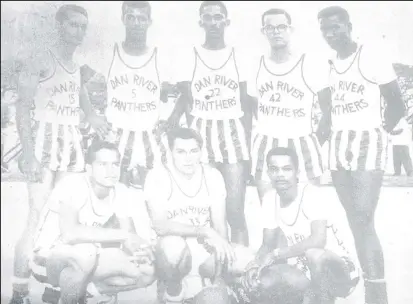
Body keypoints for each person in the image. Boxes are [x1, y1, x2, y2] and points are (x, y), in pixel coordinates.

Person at [11, 5, 110, 304]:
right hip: (43, 143)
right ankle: (18, 290)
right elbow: (22, 106)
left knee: (65, 218)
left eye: (83, 26)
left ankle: (56, 286)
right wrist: (28, 153)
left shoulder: (76, 62)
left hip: (69, 144)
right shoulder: (40, 58)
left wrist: (92, 115)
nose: (78, 31)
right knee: (37, 217)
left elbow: (79, 94)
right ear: (58, 27)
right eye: (72, 25)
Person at [317, 6, 406, 304]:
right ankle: (368, 279)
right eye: (325, 29)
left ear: (349, 26)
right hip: (339, 144)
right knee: (355, 220)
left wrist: (382, 129)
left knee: (364, 218)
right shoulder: (328, 62)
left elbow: (396, 103)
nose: (331, 34)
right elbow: (328, 108)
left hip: (368, 141)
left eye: (336, 27)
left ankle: (377, 294)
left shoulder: (372, 54)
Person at [168, 0, 251, 246]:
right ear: (200, 21)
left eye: (218, 17)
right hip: (201, 136)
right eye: (208, 17)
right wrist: (173, 118)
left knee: (235, 211)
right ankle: (207, 267)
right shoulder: (189, 55)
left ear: (226, 21)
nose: (214, 22)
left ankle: (238, 268)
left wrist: (247, 141)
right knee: (205, 212)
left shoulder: (238, 54)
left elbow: (245, 104)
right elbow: (186, 99)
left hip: (232, 134)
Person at [32, 140, 155, 304]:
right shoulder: (73, 184)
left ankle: (88, 292)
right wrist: (124, 236)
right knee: (85, 252)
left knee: (148, 270)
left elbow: (129, 237)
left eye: (115, 164)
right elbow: (69, 234)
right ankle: (66, 295)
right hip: (47, 259)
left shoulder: (122, 191)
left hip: (86, 261)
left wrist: (141, 251)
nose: (111, 171)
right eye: (103, 164)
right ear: (89, 169)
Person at [84, 1, 174, 188]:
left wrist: (168, 117)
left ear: (149, 21)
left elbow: (179, 90)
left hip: (149, 136)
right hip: (115, 136)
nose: (136, 23)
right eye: (130, 17)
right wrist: (92, 115)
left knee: (153, 198)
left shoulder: (160, 56)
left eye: (141, 18)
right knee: (114, 200)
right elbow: (74, 79)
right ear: (123, 20)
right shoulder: (109, 52)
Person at [145, 127, 239, 303]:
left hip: (204, 249)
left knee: (247, 261)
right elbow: (160, 225)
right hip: (172, 253)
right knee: (174, 246)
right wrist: (204, 230)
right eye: (181, 152)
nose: (188, 158)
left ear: (201, 152)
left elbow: (220, 226)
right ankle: (173, 291)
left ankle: (213, 286)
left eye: (194, 151)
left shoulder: (213, 175)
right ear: (170, 152)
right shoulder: (157, 176)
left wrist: (220, 277)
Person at [248, 8, 329, 203]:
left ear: (290, 29)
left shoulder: (308, 63)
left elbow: (330, 112)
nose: (276, 31)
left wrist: (312, 142)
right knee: (269, 210)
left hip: (302, 143)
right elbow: (255, 107)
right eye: (270, 27)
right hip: (266, 144)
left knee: (307, 210)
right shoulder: (255, 65)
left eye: (281, 26)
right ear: (263, 31)